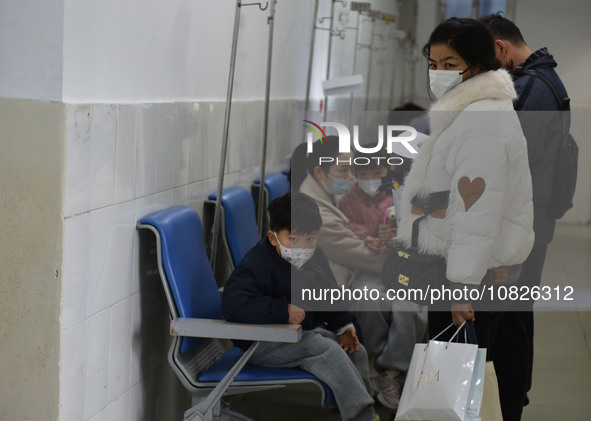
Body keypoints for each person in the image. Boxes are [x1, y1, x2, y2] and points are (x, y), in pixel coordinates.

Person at [394, 16, 534, 418]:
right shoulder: (473, 113)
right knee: (472, 377)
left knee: (457, 384)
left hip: (473, 276)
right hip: (481, 272)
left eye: (450, 63)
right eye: (433, 64)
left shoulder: (481, 120)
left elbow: (478, 213)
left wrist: (461, 286)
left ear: (477, 64)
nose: (438, 73)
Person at [479, 13, 571, 420]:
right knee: (513, 319)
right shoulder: (543, 80)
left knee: (506, 327)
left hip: (520, 230)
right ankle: (509, 402)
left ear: (500, 48)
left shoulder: (531, 89)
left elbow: (508, 164)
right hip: (529, 225)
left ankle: (508, 404)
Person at [292, 139, 426, 412]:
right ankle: (384, 371)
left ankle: (394, 372)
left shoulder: (331, 194)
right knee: (379, 296)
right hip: (338, 283)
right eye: (345, 171)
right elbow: (361, 256)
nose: (352, 178)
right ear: (320, 172)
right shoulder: (315, 212)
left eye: (354, 169)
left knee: (411, 299)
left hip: (357, 270)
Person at [221, 192, 379, 421]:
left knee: (354, 349)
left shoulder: (315, 257)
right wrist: (282, 310)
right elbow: (234, 304)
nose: (303, 247)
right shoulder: (257, 263)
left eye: (310, 239)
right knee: (328, 350)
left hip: (298, 335)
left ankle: (354, 403)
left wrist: (343, 325)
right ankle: (363, 416)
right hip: (263, 343)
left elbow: (328, 296)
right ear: (274, 238)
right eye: (293, 239)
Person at [338, 149, 398, 252]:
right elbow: (347, 224)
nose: (370, 179)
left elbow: (403, 227)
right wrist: (364, 237)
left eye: (377, 173)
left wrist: (390, 236)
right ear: (355, 174)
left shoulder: (396, 198)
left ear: (388, 170)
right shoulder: (347, 201)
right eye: (363, 174)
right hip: (359, 254)